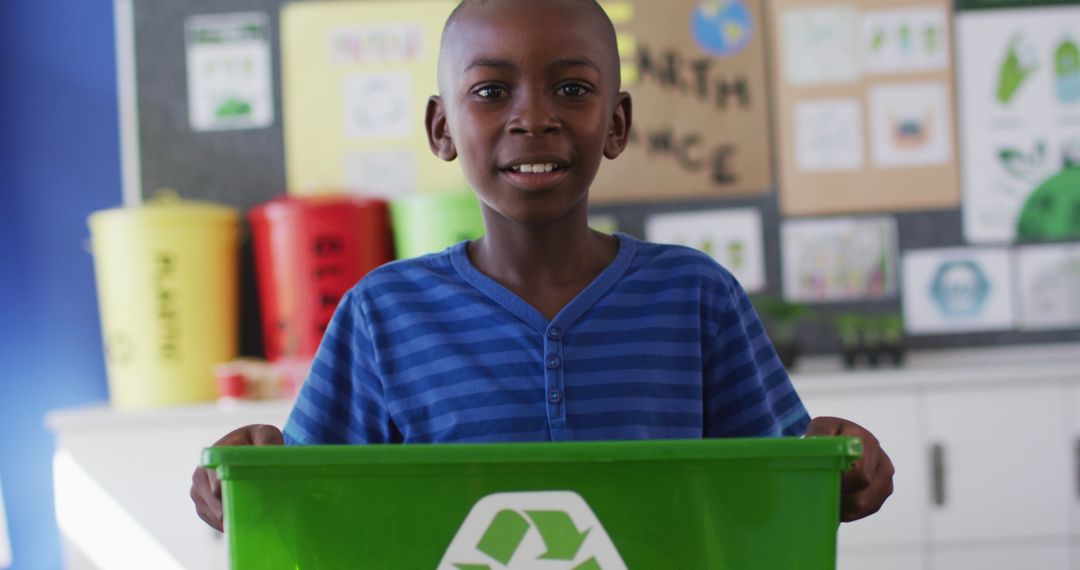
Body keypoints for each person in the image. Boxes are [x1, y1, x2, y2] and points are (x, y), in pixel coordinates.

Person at [191, 0, 894, 533]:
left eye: (573, 89)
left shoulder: (695, 297)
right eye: (492, 91)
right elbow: (309, 503)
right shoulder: (383, 314)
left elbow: (779, 489)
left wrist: (843, 467)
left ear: (616, 123)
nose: (534, 118)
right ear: (442, 128)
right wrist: (242, 481)